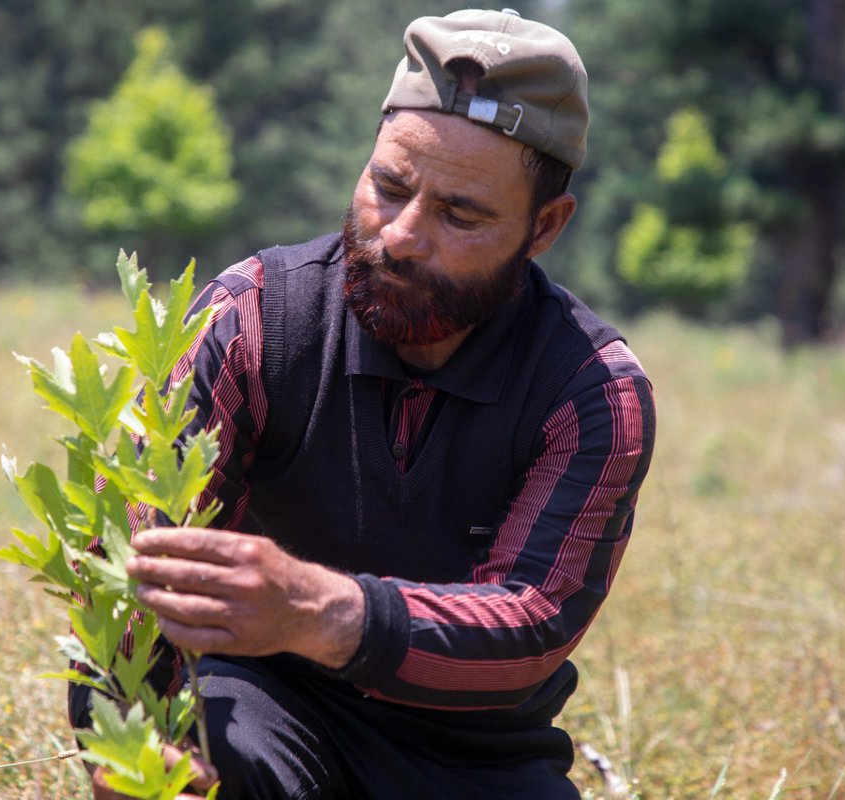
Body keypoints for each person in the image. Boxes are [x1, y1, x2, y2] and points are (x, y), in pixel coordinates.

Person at [72, 8, 656, 799]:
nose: (403, 235)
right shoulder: (250, 319)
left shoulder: (592, 393)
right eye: (389, 186)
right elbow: (129, 559)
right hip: (257, 701)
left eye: (461, 214)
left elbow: (531, 625)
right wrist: (137, 748)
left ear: (545, 227)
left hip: (473, 755)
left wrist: (318, 612)